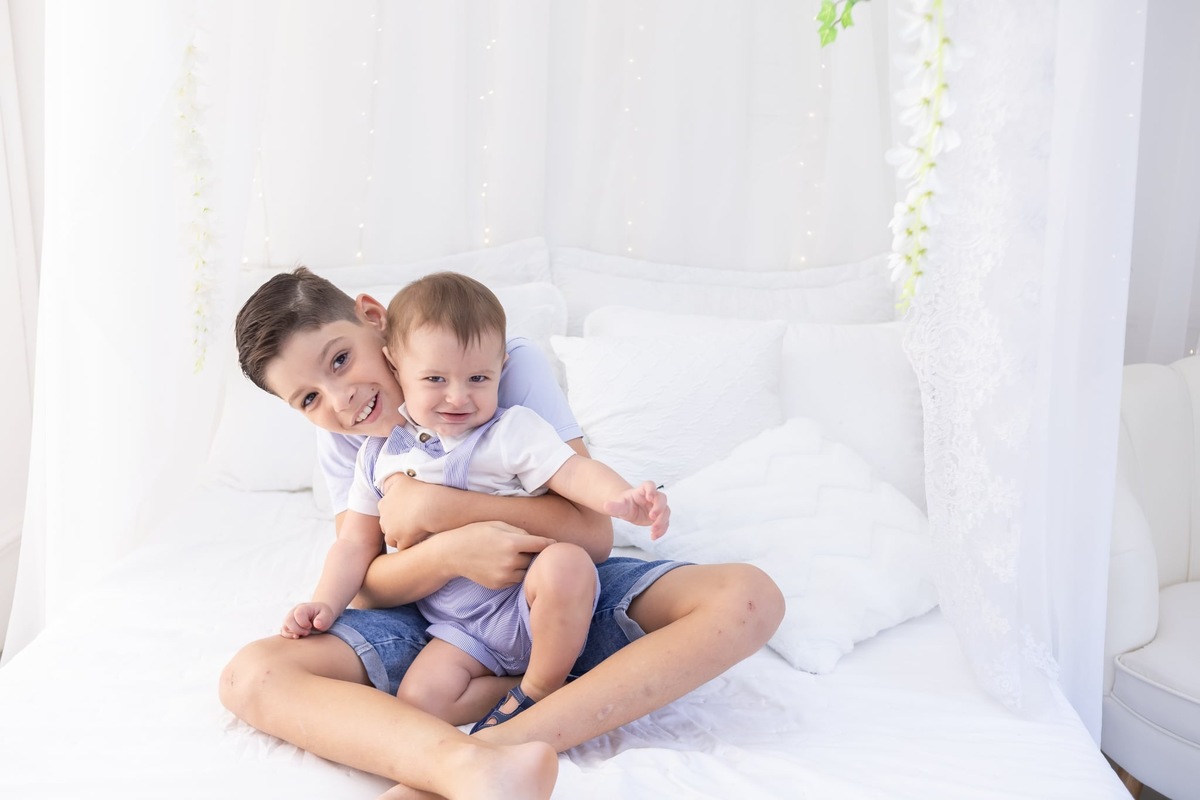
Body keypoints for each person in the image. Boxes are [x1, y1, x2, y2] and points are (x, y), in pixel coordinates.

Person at [220, 266, 785, 799]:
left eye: (340, 359)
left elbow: (593, 536)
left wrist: (444, 509)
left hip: (549, 579)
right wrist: (447, 555)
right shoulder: (350, 431)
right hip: (435, 614)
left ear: (373, 317)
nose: (340, 397)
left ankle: (498, 739)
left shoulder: (496, 365)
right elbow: (363, 575)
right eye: (309, 398)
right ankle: (476, 760)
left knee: (748, 596)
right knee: (250, 675)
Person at [283, 272, 670, 733]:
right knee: (420, 700)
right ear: (399, 365)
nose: (458, 396)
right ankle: (562, 679)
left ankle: (541, 693)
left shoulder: (510, 430)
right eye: (434, 379)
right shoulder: (378, 455)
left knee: (566, 565)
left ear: (500, 371)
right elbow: (352, 547)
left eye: (478, 379)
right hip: (460, 627)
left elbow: (573, 472)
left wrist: (620, 498)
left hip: (532, 599)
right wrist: (324, 603)